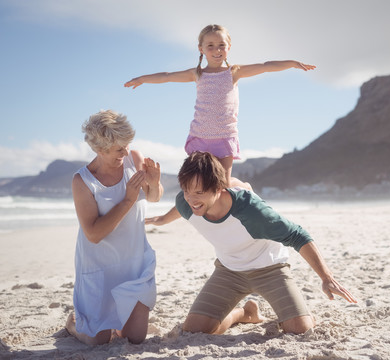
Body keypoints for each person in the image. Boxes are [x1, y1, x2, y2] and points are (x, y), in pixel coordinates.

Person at [146, 151, 357, 335]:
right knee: (194, 330)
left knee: (300, 330)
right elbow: (182, 207)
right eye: (186, 191)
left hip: (270, 269)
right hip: (229, 271)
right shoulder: (186, 203)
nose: (191, 200)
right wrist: (162, 219)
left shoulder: (251, 212)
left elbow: (297, 235)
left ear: (219, 188)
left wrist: (326, 278)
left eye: (199, 193)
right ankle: (244, 313)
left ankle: (293, 314)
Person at [124, 24, 316, 188]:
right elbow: (167, 76)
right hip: (200, 137)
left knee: (222, 184)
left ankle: (242, 185)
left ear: (229, 47)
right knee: (195, 181)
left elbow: (265, 65)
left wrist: (292, 63)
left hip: (224, 137)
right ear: (201, 49)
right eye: (211, 46)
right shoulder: (197, 74)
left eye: (221, 45)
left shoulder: (234, 72)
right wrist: (142, 79)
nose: (217, 50)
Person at [65, 110, 163, 345]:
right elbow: (94, 234)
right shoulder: (84, 181)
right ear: (100, 149)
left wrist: (155, 182)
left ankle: (115, 323)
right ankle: (72, 324)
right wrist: (128, 199)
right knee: (96, 342)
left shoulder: (133, 159)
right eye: (119, 149)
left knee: (136, 338)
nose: (126, 152)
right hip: (99, 266)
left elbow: (153, 198)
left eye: (127, 145)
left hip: (134, 263)